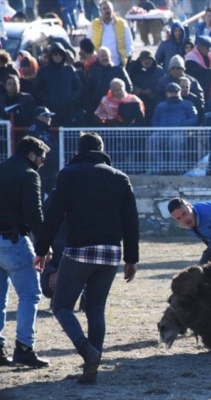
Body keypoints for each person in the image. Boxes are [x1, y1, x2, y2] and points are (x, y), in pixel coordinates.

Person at [34, 132, 139, 384]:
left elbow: (54, 215)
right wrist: (131, 259)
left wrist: (41, 249)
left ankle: (86, 350)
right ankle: (91, 370)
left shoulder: (68, 175)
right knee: (96, 309)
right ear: (101, 149)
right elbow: (131, 221)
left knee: (61, 306)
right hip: (111, 253)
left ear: (79, 151)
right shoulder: (120, 178)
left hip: (79, 250)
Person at [0, 136, 51, 368]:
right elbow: (35, 213)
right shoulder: (29, 175)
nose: (42, 162)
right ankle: (24, 347)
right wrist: (44, 245)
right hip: (14, 239)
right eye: (42, 157)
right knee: (30, 294)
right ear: (31, 155)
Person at [148, 83, 198, 174]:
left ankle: (174, 167)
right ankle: (161, 167)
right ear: (167, 93)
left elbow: (194, 118)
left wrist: (182, 125)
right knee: (152, 139)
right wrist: (158, 128)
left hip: (179, 131)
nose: (173, 94)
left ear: (179, 92)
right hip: (162, 131)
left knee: (175, 140)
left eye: (175, 92)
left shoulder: (187, 104)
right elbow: (154, 120)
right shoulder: (160, 106)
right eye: (170, 92)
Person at [32, 42, 83, 127]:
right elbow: (36, 89)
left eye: (61, 54)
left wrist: (72, 98)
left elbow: (79, 88)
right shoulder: (43, 71)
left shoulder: (69, 70)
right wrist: (47, 99)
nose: (58, 56)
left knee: (67, 134)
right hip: (50, 111)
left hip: (68, 110)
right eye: (55, 54)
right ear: (50, 55)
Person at [85, 47, 133, 117]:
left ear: (110, 56)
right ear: (98, 58)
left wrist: (118, 98)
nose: (104, 58)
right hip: (100, 108)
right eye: (102, 56)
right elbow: (89, 90)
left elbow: (129, 87)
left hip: (119, 108)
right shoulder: (94, 72)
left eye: (106, 55)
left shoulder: (119, 70)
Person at [87, 0, 133, 67]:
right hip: (99, 63)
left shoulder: (122, 23)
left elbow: (129, 41)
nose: (106, 11)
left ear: (112, 10)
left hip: (118, 63)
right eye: (104, 9)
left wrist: (128, 56)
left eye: (108, 8)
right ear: (100, 11)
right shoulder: (94, 24)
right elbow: (89, 42)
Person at [127, 50, 165, 125]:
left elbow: (162, 86)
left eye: (149, 59)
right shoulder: (133, 70)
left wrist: (152, 93)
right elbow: (128, 85)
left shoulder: (159, 71)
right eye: (144, 59)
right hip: (137, 102)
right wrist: (138, 90)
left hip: (154, 103)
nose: (146, 61)